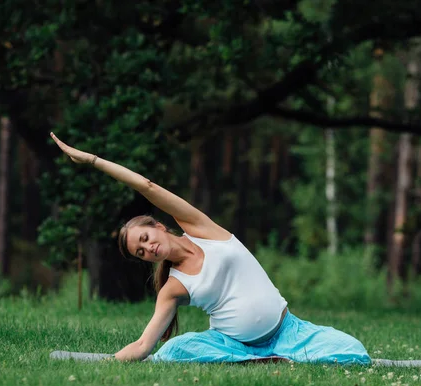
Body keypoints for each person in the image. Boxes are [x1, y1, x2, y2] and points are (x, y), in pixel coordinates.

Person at [50, 132, 371, 366]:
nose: (148, 249)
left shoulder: (203, 230)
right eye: (140, 253)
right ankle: (257, 360)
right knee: (173, 352)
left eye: (145, 239)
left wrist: (92, 160)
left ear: (158, 226)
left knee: (354, 353)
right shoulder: (172, 288)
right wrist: (107, 362)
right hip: (232, 344)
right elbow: (144, 344)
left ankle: (276, 355)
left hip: (289, 331)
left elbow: (146, 186)